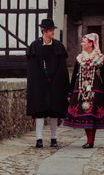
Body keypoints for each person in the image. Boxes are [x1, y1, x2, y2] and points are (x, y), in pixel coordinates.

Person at [63, 33, 104, 149]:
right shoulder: (80, 58)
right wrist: (70, 92)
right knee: (85, 114)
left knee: (93, 115)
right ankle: (89, 140)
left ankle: (91, 141)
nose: (82, 43)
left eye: (84, 41)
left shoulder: (99, 59)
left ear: (91, 43)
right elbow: (74, 76)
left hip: (95, 89)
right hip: (81, 89)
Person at [26, 18, 69, 148]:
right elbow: (32, 69)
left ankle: (53, 138)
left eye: (53, 30)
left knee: (54, 111)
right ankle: (39, 139)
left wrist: (60, 83)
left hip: (55, 83)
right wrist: (39, 81)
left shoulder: (58, 46)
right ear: (44, 31)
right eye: (51, 30)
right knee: (39, 111)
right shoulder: (35, 46)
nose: (53, 32)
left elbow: (63, 68)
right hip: (40, 84)